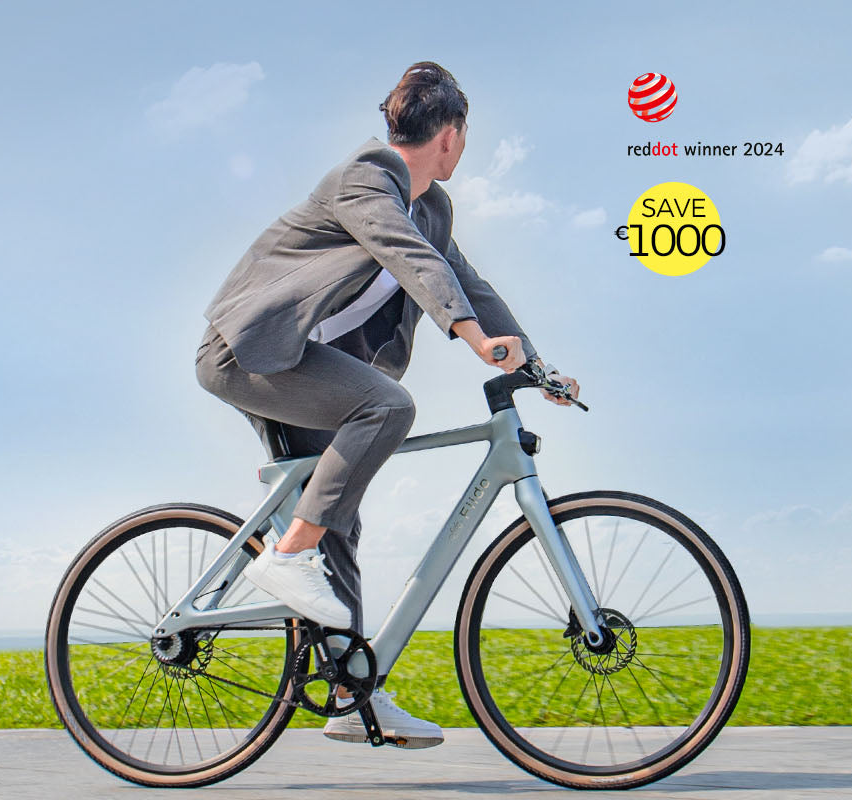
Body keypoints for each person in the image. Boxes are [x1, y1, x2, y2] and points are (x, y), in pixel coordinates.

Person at [193, 61, 579, 748]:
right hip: (247, 354)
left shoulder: (432, 207)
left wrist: (538, 366)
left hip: (303, 369)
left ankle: (349, 694)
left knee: (337, 515)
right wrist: (470, 338)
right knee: (388, 408)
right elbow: (411, 260)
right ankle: (285, 558)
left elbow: (466, 279)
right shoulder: (366, 177)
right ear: (452, 136)